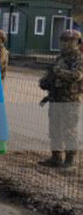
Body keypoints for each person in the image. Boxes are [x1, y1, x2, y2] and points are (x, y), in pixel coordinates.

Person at [39, 29, 83, 168]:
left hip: (70, 99)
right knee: (55, 129)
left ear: (77, 42)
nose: (66, 44)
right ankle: (56, 157)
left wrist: (58, 72)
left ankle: (70, 160)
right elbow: (49, 74)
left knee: (69, 130)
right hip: (55, 98)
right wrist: (45, 81)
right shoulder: (59, 58)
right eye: (64, 40)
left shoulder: (79, 58)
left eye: (70, 41)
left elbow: (77, 75)